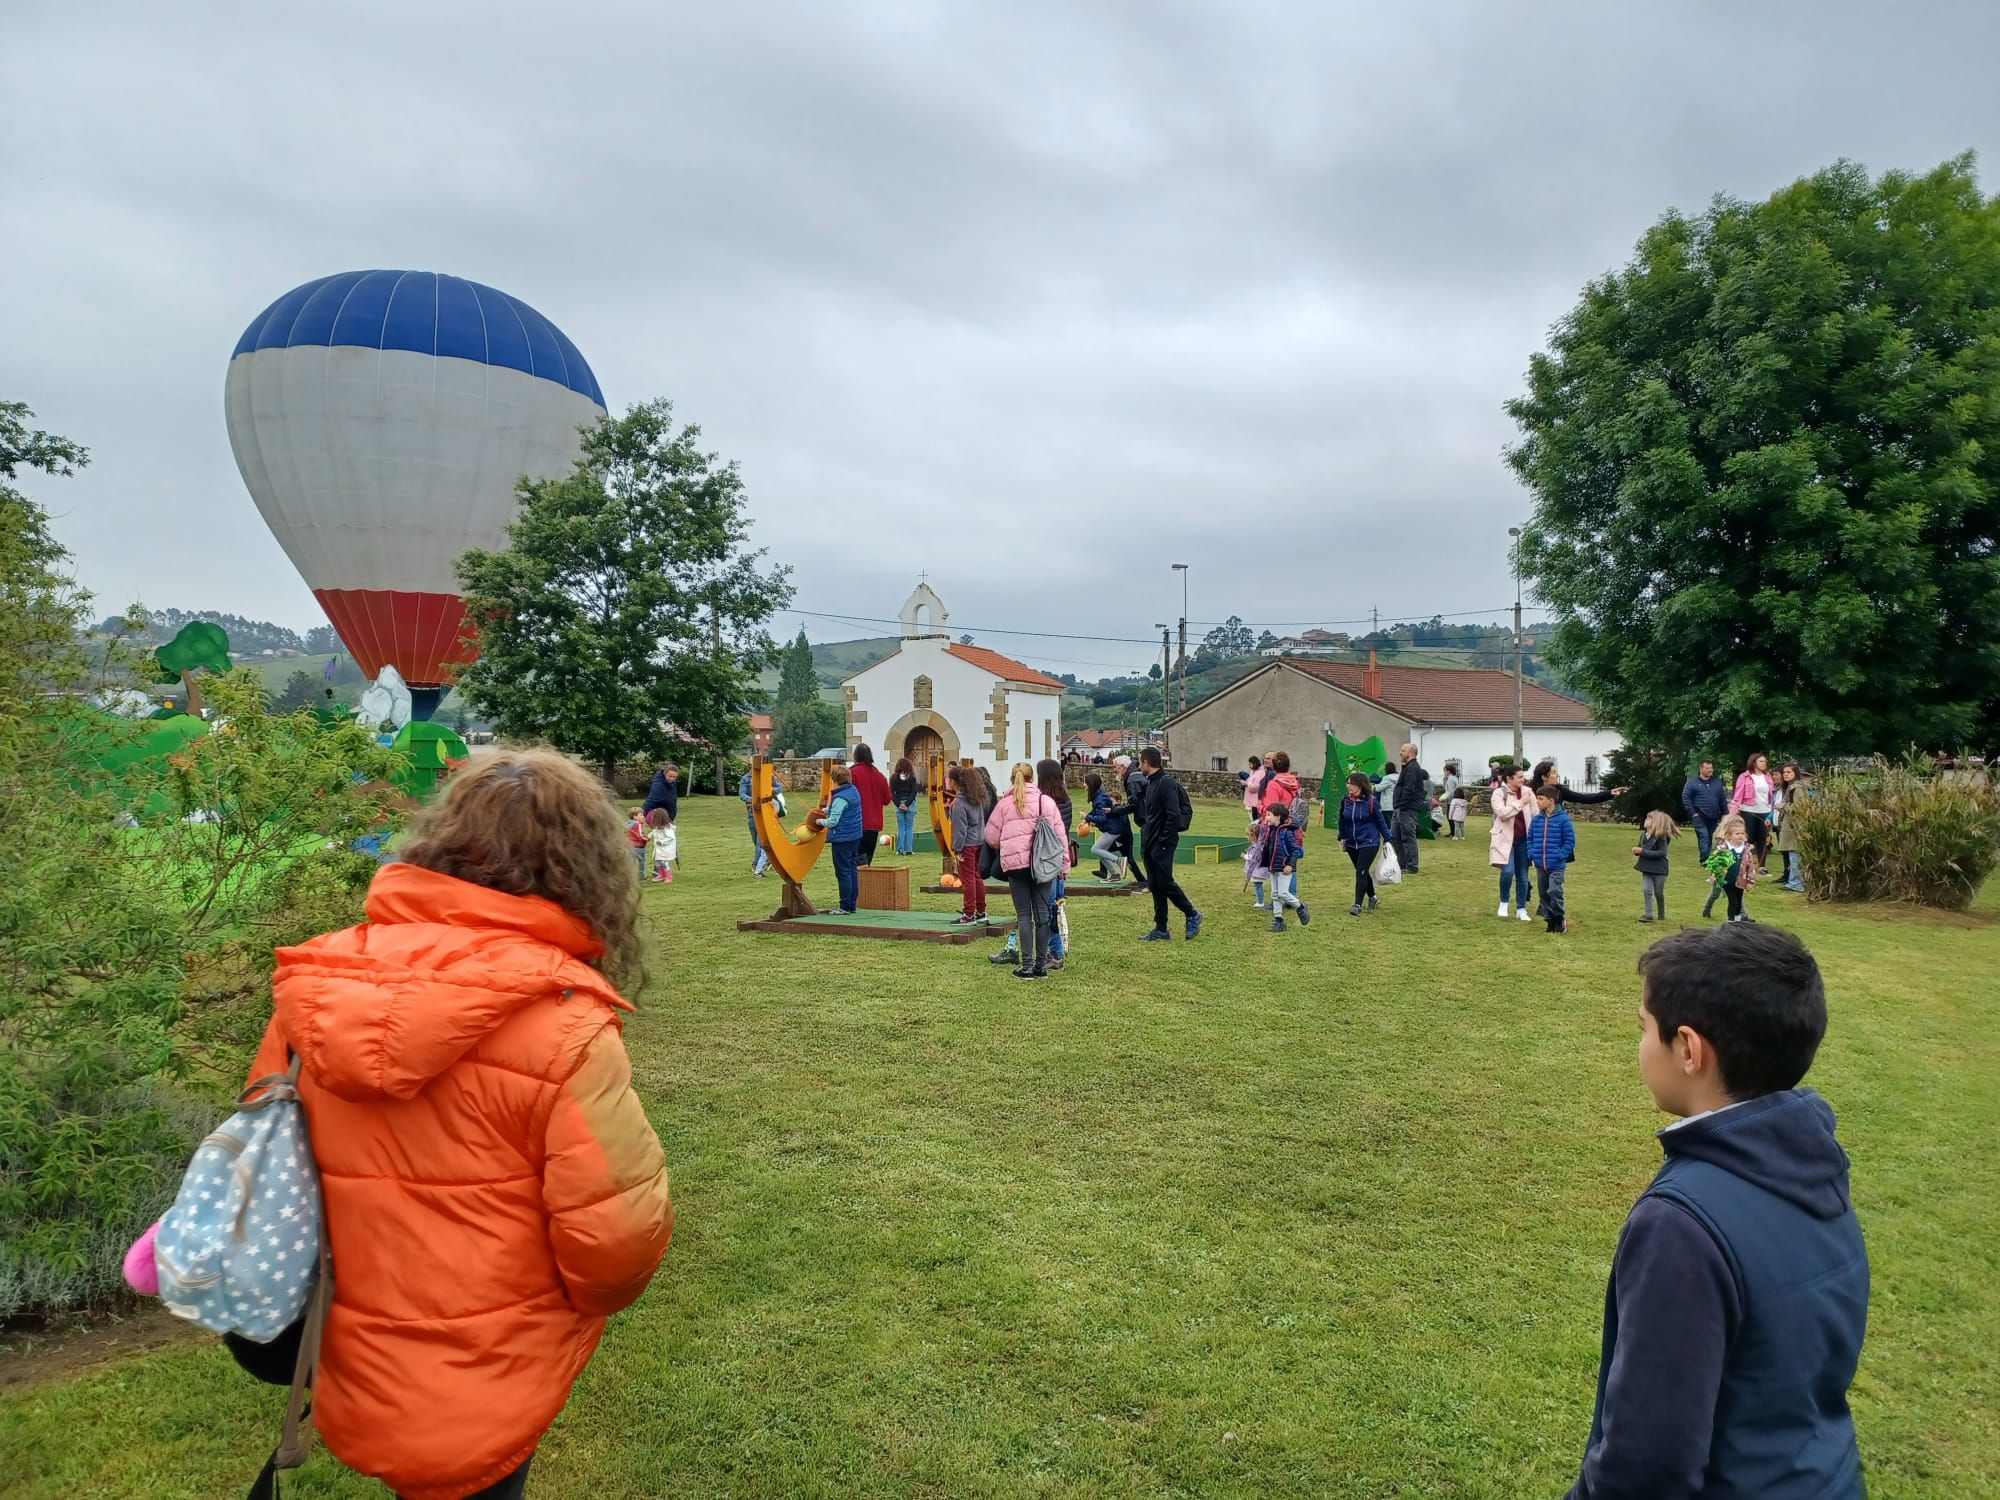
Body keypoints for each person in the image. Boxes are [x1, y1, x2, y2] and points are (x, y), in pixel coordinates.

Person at [241, 750, 672, 1500]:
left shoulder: (319, 985)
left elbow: (260, 1154)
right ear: (583, 867)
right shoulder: (563, 1021)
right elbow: (615, 1243)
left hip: (346, 1340)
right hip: (488, 1367)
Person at [1565, 925, 1867, 1500]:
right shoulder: (1813, 1162)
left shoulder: (1681, 1224)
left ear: (1688, 1048)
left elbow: (1648, 1465)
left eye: (1644, 1030)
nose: (1640, 1047)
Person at [1107, 746, 1199, 940]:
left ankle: (1192, 914)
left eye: (1140, 762)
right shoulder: (1150, 784)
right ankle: (1161, 927)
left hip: (1162, 841)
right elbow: (1140, 808)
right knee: (1155, 884)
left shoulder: (1166, 783)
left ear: (1146, 762)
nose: (1138, 765)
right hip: (1150, 839)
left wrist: (1164, 840)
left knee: (1165, 882)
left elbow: (1173, 815)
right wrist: (1115, 811)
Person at [983, 762, 1066, 979]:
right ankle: (1040, 965)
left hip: (1015, 865)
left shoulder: (1004, 804)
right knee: (1042, 917)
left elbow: (990, 836)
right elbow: (1060, 836)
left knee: (1023, 916)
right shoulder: (1044, 802)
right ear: (1033, 779)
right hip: (1042, 864)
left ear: (1013, 779)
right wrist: (1064, 864)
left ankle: (1027, 965)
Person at [1336, 771, 1393, 915]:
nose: (1348, 786)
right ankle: (1373, 897)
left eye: (1351, 783)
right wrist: (1342, 837)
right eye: (1347, 783)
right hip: (1351, 843)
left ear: (1360, 785)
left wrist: (1388, 839)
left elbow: (1381, 822)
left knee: (1360, 871)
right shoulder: (1345, 801)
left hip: (1369, 842)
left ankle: (1357, 905)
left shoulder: (1372, 801)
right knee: (1362, 871)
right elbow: (1342, 820)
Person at [1252, 801, 1310, 931]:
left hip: (1284, 868)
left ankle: (1300, 906)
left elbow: (1295, 850)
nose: (1266, 817)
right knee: (1275, 894)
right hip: (1273, 867)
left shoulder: (1287, 832)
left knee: (1283, 893)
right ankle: (1278, 920)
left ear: (1277, 816)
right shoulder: (1271, 831)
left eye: (1268, 815)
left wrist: (1290, 864)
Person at [1489, 765, 1537, 923]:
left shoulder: (1528, 792)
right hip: (1505, 839)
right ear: (1509, 779)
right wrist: (1520, 803)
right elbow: (1502, 813)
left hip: (1524, 839)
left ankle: (1521, 908)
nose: (1523, 780)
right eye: (1520, 777)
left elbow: (1535, 814)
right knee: (1507, 871)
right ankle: (1503, 903)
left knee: (1523, 875)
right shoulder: (1499, 793)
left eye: (1523, 777)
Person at [817, 763, 864, 915]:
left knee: (843, 872)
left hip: (843, 838)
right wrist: (825, 810)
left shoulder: (840, 797)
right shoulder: (853, 790)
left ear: (835, 780)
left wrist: (819, 822)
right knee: (851, 869)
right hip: (855, 836)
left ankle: (844, 907)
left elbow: (833, 821)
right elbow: (840, 809)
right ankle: (851, 905)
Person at [1530, 787, 1577, 933]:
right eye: (1537, 798)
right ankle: (1550, 921)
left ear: (1551, 801)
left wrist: (1560, 854)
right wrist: (1532, 853)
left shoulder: (1563, 819)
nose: (1537, 801)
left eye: (1540, 799)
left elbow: (1569, 840)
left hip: (1556, 864)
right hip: (1540, 864)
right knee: (1543, 894)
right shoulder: (1537, 819)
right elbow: (1530, 838)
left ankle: (1559, 917)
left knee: (1554, 890)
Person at [947, 762, 989, 925]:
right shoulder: (975, 798)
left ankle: (969, 913)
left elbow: (959, 829)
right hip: (978, 841)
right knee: (977, 877)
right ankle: (981, 911)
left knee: (968, 879)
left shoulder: (958, 803)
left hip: (967, 845)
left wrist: (957, 849)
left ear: (955, 782)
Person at [1731, 752, 1777, 876]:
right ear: (1754, 762)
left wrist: (1772, 811)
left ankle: (1762, 866)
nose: (1764, 763)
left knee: (1763, 839)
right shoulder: (1745, 777)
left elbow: (1771, 796)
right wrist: (1734, 811)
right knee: (1748, 838)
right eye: (1761, 761)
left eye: (1765, 761)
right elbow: (1738, 795)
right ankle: (1745, 865)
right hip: (1748, 810)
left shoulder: (1767, 777)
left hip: (1765, 811)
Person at [1702, 814, 1752, 923]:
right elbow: (1714, 857)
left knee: (1736, 896)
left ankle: (1741, 916)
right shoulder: (1720, 840)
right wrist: (1715, 872)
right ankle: (1707, 907)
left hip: (1736, 876)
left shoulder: (1742, 843)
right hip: (1722, 874)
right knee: (1715, 893)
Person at [848, 744, 891, 867]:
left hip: (857, 822)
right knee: (867, 860)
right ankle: (866, 884)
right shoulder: (880, 777)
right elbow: (887, 800)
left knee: (856, 862)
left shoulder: (852, 773)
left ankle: (859, 885)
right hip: (874, 826)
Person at [1681, 757, 1729, 864]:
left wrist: (1725, 813)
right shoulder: (1692, 783)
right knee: (1703, 835)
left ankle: (1707, 856)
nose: (1710, 770)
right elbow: (1686, 798)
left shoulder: (1717, 783)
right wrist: (1693, 813)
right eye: (1707, 768)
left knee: (1710, 836)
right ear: (1701, 769)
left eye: (1711, 768)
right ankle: (1705, 859)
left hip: (1713, 816)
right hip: (1699, 816)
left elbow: (1722, 799)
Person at [1390, 744, 1428, 875]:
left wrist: (1403, 805)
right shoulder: (1408, 768)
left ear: (1410, 753)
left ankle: (1412, 866)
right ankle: (1402, 864)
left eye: (1403, 750)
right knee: (1395, 837)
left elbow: (1409, 789)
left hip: (1406, 808)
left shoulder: (1412, 768)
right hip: (1400, 807)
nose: (1400, 753)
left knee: (1407, 837)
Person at [1633, 811, 1676, 923]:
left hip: (1659, 869)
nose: (1645, 821)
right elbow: (1641, 848)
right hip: (1646, 868)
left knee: (1658, 892)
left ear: (1655, 822)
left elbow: (1662, 853)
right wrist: (1637, 851)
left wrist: (1642, 851)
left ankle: (1661, 914)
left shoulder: (1661, 836)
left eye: (1648, 819)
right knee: (1646, 890)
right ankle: (1649, 915)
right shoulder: (1643, 835)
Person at [1084, 770, 1124, 881]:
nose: (1083, 785)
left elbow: (1102, 818)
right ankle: (1114, 875)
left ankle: (1119, 861)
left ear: (1090, 784)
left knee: (1095, 849)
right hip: (1114, 828)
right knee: (1102, 852)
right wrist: (1088, 818)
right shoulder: (1099, 796)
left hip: (1113, 829)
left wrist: (1087, 817)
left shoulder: (1099, 799)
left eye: (1085, 783)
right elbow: (1096, 811)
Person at [1118, 754, 1150, 892]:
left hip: (1147, 820)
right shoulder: (1136, 776)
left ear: (1123, 767)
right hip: (1148, 818)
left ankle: (1151, 883)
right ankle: (1150, 882)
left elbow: (1134, 804)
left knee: (1147, 853)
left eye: (1115, 767)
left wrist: (1116, 810)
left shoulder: (1132, 780)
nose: (1114, 770)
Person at [1775, 762, 1807, 893]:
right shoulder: (1791, 787)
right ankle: (1794, 881)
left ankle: (1796, 883)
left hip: (1795, 826)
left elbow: (1801, 807)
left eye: (1789, 772)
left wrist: (1782, 806)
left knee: (1794, 854)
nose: (1786, 774)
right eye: (1784, 772)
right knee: (1792, 854)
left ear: (1796, 773)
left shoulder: (1797, 788)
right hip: (1790, 824)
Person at [737, 768, 770, 878]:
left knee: (760, 842)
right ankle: (767, 859)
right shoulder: (746, 778)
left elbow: (778, 788)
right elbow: (742, 794)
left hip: (765, 814)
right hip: (752, 814)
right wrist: (754, 800)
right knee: (756, 841)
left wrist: (770, 794)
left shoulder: (768, 777)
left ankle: (757, 866)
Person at [889, 757, 920, 856]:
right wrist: (907, 804)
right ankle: (909, 850)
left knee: (901, 828)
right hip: (910, 804)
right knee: (909, 827)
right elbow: (914, 792)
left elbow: (891, 793)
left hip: (899, 803)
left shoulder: (893, 778)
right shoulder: (912, 778)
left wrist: (899, 804)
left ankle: (900, 850)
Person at [645, 807, 678, 883]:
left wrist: (662, 842)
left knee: (664, 862)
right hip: (659, 849)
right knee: (657, 861)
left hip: (665, 849)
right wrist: (649, 836)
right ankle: (661, 874)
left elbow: (671, 838)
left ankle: (668, 876)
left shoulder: (667, 828)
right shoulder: (657, 827)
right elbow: (654, 832)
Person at [625, 806, 649, 879]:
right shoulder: (637, 824)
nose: (643, 817)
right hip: (639, 847)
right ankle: (641, 876)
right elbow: (640, 835)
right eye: (641, 815)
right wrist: (647, 838)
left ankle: (629, 876)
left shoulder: (627, 824)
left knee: (631, 862)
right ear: (635, 816)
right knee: (641, 862)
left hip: (629, 846)